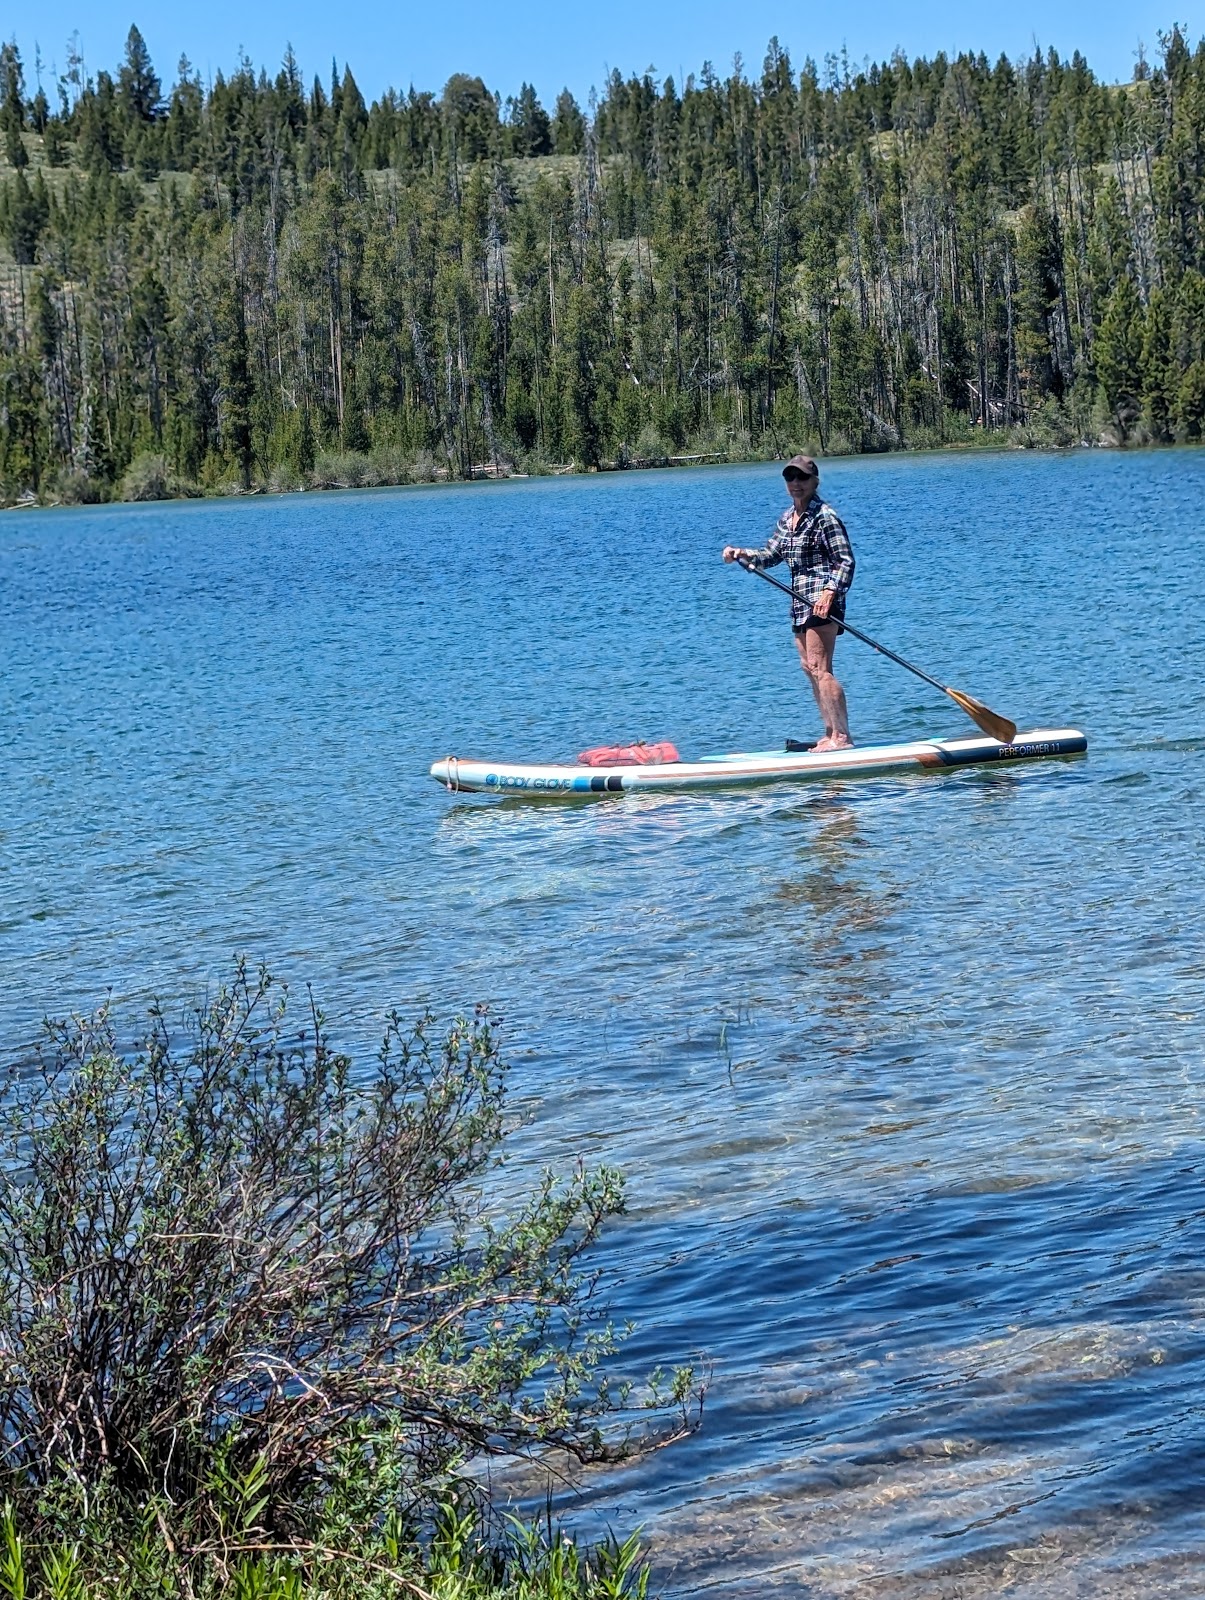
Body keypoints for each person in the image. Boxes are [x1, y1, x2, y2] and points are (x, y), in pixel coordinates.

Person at [722, 455, 856, 750]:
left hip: (822, 599)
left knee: (821, 667)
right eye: (790, 477)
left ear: (815, 481)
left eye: (802, 477)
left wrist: (830, 593)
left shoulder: (825, 516)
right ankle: (829, 732)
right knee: (809, 667)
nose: (796, 483)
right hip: (799, 602)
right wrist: (741, 553)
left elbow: (845, 561)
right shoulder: (786, 519)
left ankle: (842, 737)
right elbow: (771, 555)